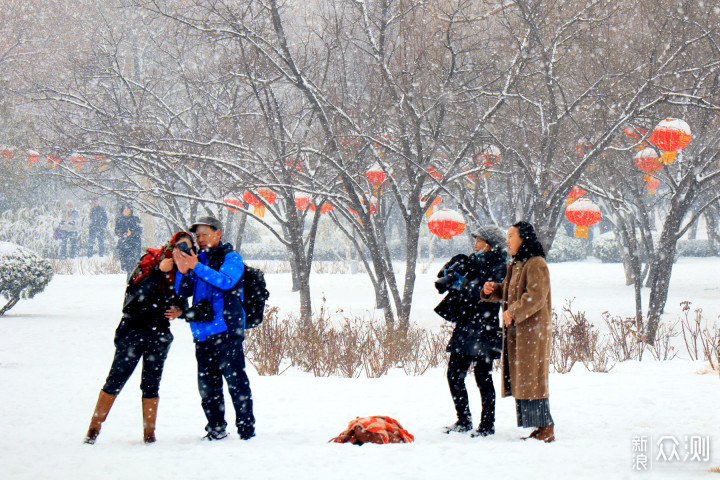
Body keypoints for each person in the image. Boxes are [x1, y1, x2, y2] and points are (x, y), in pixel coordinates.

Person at [84, 231, 194, 445]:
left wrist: (180, 310)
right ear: (170, 246)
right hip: (133, 329)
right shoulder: (149, 261)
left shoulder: (183, 272)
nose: (182, 251)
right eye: (180, 246)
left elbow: (183, 300)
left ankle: (149, 434)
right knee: (116, 379)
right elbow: (133, 294)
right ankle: (93, 429)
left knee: (151, 384)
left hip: (159, 333)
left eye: (188, 248)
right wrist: (157, 272)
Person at [169, 216, 256, 441]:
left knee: (236, 382)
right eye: (197, 235)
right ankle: (215, 428)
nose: (200, 239)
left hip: (227, 330)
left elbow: (226, 281)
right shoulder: (198, 259)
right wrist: (183, 269)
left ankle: (246, 429)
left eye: (204, 234)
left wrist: (196, 266)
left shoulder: (232, 257)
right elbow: (184, 291)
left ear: (218, 233)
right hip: (202, 333)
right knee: (208, 387)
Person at [482, 221, 555, 443]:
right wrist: (494, 289)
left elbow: (535, 296)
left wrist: (512, 311)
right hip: (519, 333)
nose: (508, 241)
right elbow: (511, 291)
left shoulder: (536, 264)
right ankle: (538, 426)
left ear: (524, 238)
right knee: (525, 381)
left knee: (534, 380)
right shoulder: (516, 264)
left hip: (533, 333)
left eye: (511, 236)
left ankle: (546, 427)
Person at [434, 226, 507, 437]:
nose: (475, 244)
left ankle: (487, 424)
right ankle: (464, 419)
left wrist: (464, 284)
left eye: (480, 241)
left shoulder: (500, 265)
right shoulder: (473, 261)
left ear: (491, 244)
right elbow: (468, 286)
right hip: (467, 323)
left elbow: (489, 293)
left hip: (486, 326)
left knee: (483, 376)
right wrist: (451, 275)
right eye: (475, 240)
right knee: (454, 374)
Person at [115, 206, 143, 280]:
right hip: (123, 244)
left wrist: (132, 233)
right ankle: (131, 276)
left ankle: (131, 279)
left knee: (132, 262)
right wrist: (121, 233)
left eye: (128, 209)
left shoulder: (135, 219)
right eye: (125, 209)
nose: (126, 211)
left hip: (134, 244)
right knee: (125, 262)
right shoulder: (119, 219)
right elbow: (116, 230)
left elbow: (140, 230)